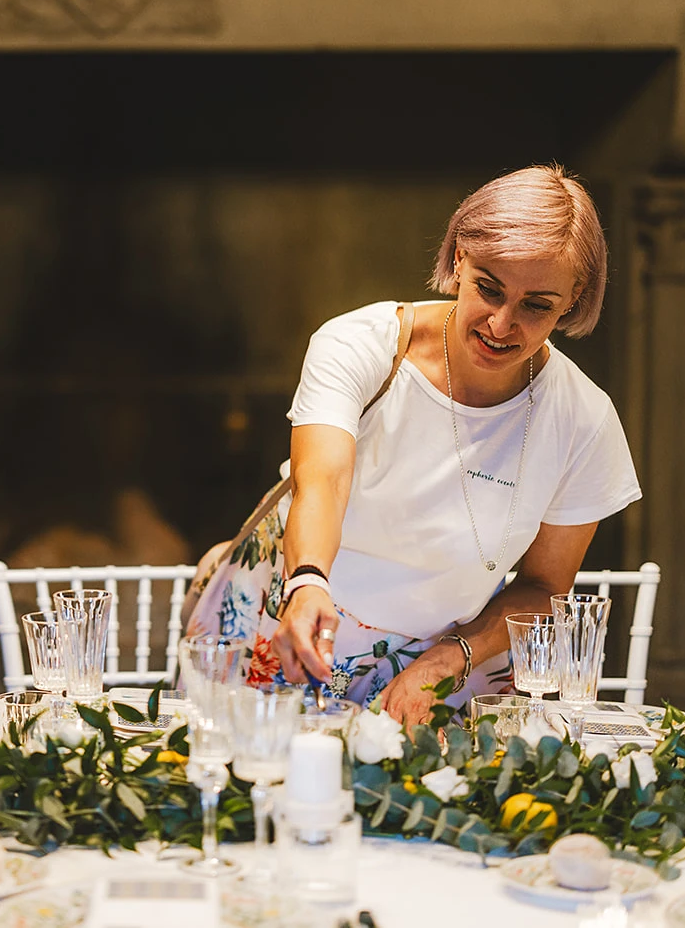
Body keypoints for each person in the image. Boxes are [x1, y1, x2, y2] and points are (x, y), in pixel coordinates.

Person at [185, 165, 641, 727]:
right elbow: (322, 480)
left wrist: (453, 656)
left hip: (434, 659)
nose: (501, 323)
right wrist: (306, 582)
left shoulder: (583, 418)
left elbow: (546, 586)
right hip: (284, 616)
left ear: (573, 300)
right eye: (489, 288)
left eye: (536, 306)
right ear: (457, 261)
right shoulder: (361, 346)